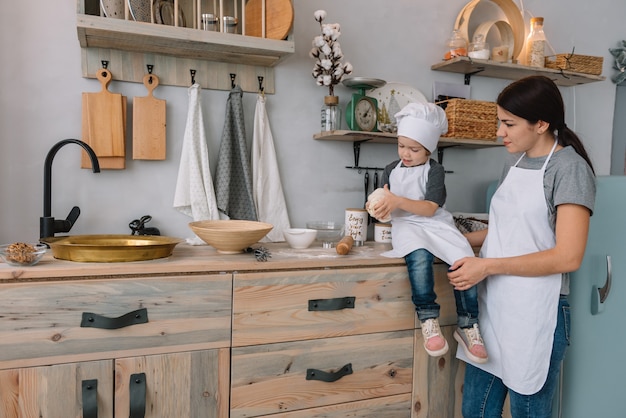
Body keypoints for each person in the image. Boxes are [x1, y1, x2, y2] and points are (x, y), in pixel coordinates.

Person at [447, 75, 596, 418]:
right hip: (494, 307)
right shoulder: (513, 162)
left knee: (529, 412)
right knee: (476, 412)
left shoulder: (569, 169)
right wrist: (449, 241)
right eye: (501, 122)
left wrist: (487, 266)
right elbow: (507, 229)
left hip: (537, 313)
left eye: (508, 124)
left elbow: (568, 256)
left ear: (541, 123)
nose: (500, 132)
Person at [367, 102, 488, 363]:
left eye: (414, 149)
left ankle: (468, 325)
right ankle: (428, 318)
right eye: (401, 146)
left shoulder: (435, 171)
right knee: (419, 257)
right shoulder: (391, 170)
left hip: (435, 222)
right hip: (407, 227)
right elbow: (385, 201)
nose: (406, 154)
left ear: (429, 149)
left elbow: (430, 208)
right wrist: (379, 208)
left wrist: (397, 201)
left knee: (463, 257)